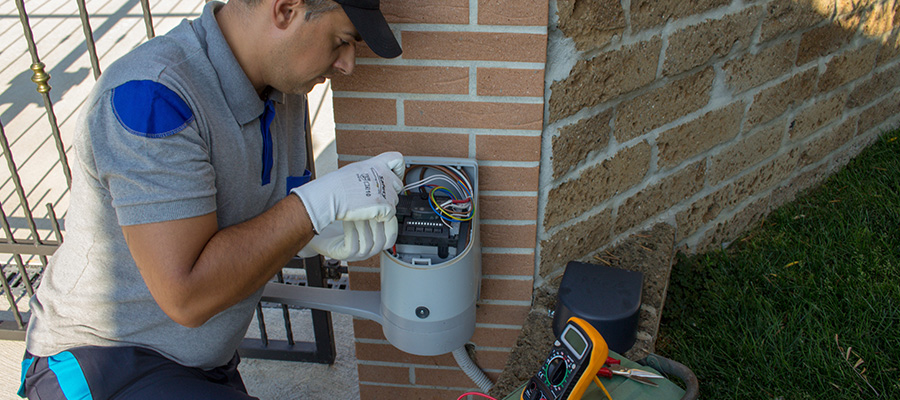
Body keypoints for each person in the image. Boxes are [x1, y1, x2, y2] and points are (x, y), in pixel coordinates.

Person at [18, 0, 403, 398]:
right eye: (341, 41)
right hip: (105, 360)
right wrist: (311, 209)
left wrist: (307, 230)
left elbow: (268, 216)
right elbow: (187, 297)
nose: (348, 64)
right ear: (286, 10)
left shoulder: (283, 89)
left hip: (199, 363)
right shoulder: (152, 96)